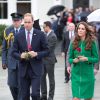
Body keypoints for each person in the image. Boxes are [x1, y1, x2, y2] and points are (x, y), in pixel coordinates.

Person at [11, 13, 49, 100]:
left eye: (29, 22)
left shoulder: (40, 34)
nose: (27, 24)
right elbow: (13, 52)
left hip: (36, 69)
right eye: (25, 22)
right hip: (23, 69)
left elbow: (47, 51)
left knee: (35, 94)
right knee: (24, 96)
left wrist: (37, 54)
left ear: (32, 22)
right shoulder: (18, 35)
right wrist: (21, 55)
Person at [68, 21, 99, 100]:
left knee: (87, 98)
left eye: (82, 29)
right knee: (76, 98)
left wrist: (87, 59)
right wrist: (73, 61)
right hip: (76, 75)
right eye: (79, 28)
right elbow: (69, 58)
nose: (80, 30)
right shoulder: (74, 42)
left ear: (86, 31)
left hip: (88, 75)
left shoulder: (92, 42)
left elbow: (96, 58)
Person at [2, 12, 23, 100]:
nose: (16, 22)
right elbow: (4, 48)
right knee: (12, 85)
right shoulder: (8, 30)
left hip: (22, 62)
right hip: (11, 62)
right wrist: (4, 61)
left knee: (21, 85)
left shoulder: (25, 30)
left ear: (21, 21)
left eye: (17, 21)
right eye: (14, 21)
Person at [41, 21, 57, 100]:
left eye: (44, 27)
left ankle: (51, 96)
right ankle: (43, 95)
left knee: (51, 79)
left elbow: (49, 49)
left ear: (48, 27)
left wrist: (39, 52)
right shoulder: (44, 34)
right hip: (43, 60)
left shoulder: (53, 36)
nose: (43, 28)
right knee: (42, 78)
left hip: (50, 60)